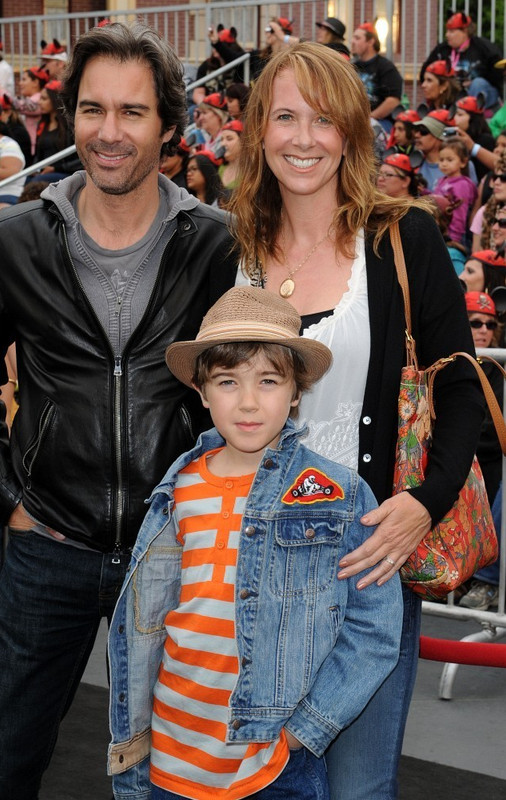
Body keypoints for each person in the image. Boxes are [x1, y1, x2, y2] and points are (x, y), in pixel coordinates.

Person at [0, 21, 236, 799]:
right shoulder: (15, 240)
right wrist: (4, 498)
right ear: (68, 115)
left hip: (173, 552)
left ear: (169, 127)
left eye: (133, 112)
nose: (110, 134)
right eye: (93, 109)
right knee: (1, 773)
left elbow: (246, 388)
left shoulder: (214, 245)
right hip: (48, 546)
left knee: (181, 780)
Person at [229, 41, 483, 799]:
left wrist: (425, 503)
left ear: (351, 133)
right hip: (253, 559)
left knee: (357, 789)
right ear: (258, 132)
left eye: (323, 119)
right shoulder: (234, 249)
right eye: (285, 117)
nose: (303, 138)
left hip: (367, 557)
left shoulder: (401, 238)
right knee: (253, 784)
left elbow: (463, 386)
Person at [107, 286, 403, 799]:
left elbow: (374, 627)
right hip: (169, 757)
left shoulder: (337, 494)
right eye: (227, 381)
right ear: (201, 392)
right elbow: (149, 621)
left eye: (268, 381)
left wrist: (303, 732)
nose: (248, 401)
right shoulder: (175, 489)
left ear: (295, 391)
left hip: (272, 768)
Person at [459, 290, 503, 611]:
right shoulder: (449, 361)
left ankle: (485, 582)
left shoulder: (500, 366)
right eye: (476, 322)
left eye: (490, 324)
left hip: (492, 469)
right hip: (458, 467)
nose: (485, 330)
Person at [420, 12, 502, 109]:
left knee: (478, 83)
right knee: (435, 83)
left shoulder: (483, 47)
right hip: (456, 94)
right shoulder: (442, 49)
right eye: (447, 31)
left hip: (483, 94)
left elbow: (499, 71)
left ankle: (470, 115)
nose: (447, 35)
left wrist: (473, 81)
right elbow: (425, 71)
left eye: (451, 31)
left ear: (464, 31)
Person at [350, 22, 403, 132]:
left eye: (357, 38)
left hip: (379, 121)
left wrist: (369, 118)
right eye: (353, 38)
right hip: (354, 120)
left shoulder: (386, 67)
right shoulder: (351, 66)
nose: (352, 42)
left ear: (370, 41)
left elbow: (393, 101)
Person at [436, 137, 477, 244]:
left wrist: (454, 240)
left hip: (454, 238)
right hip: (440, 233)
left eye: (449, 160)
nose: (444, 164)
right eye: (441, 160)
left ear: (463, 162)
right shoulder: (442, 180)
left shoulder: (462, 185)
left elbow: (460, 216)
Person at [218, 118, 243, 191]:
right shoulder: (221, 168)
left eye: (229, 139)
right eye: (221, 139)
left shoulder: (251, 171)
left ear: (243, 141)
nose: (223, 144)